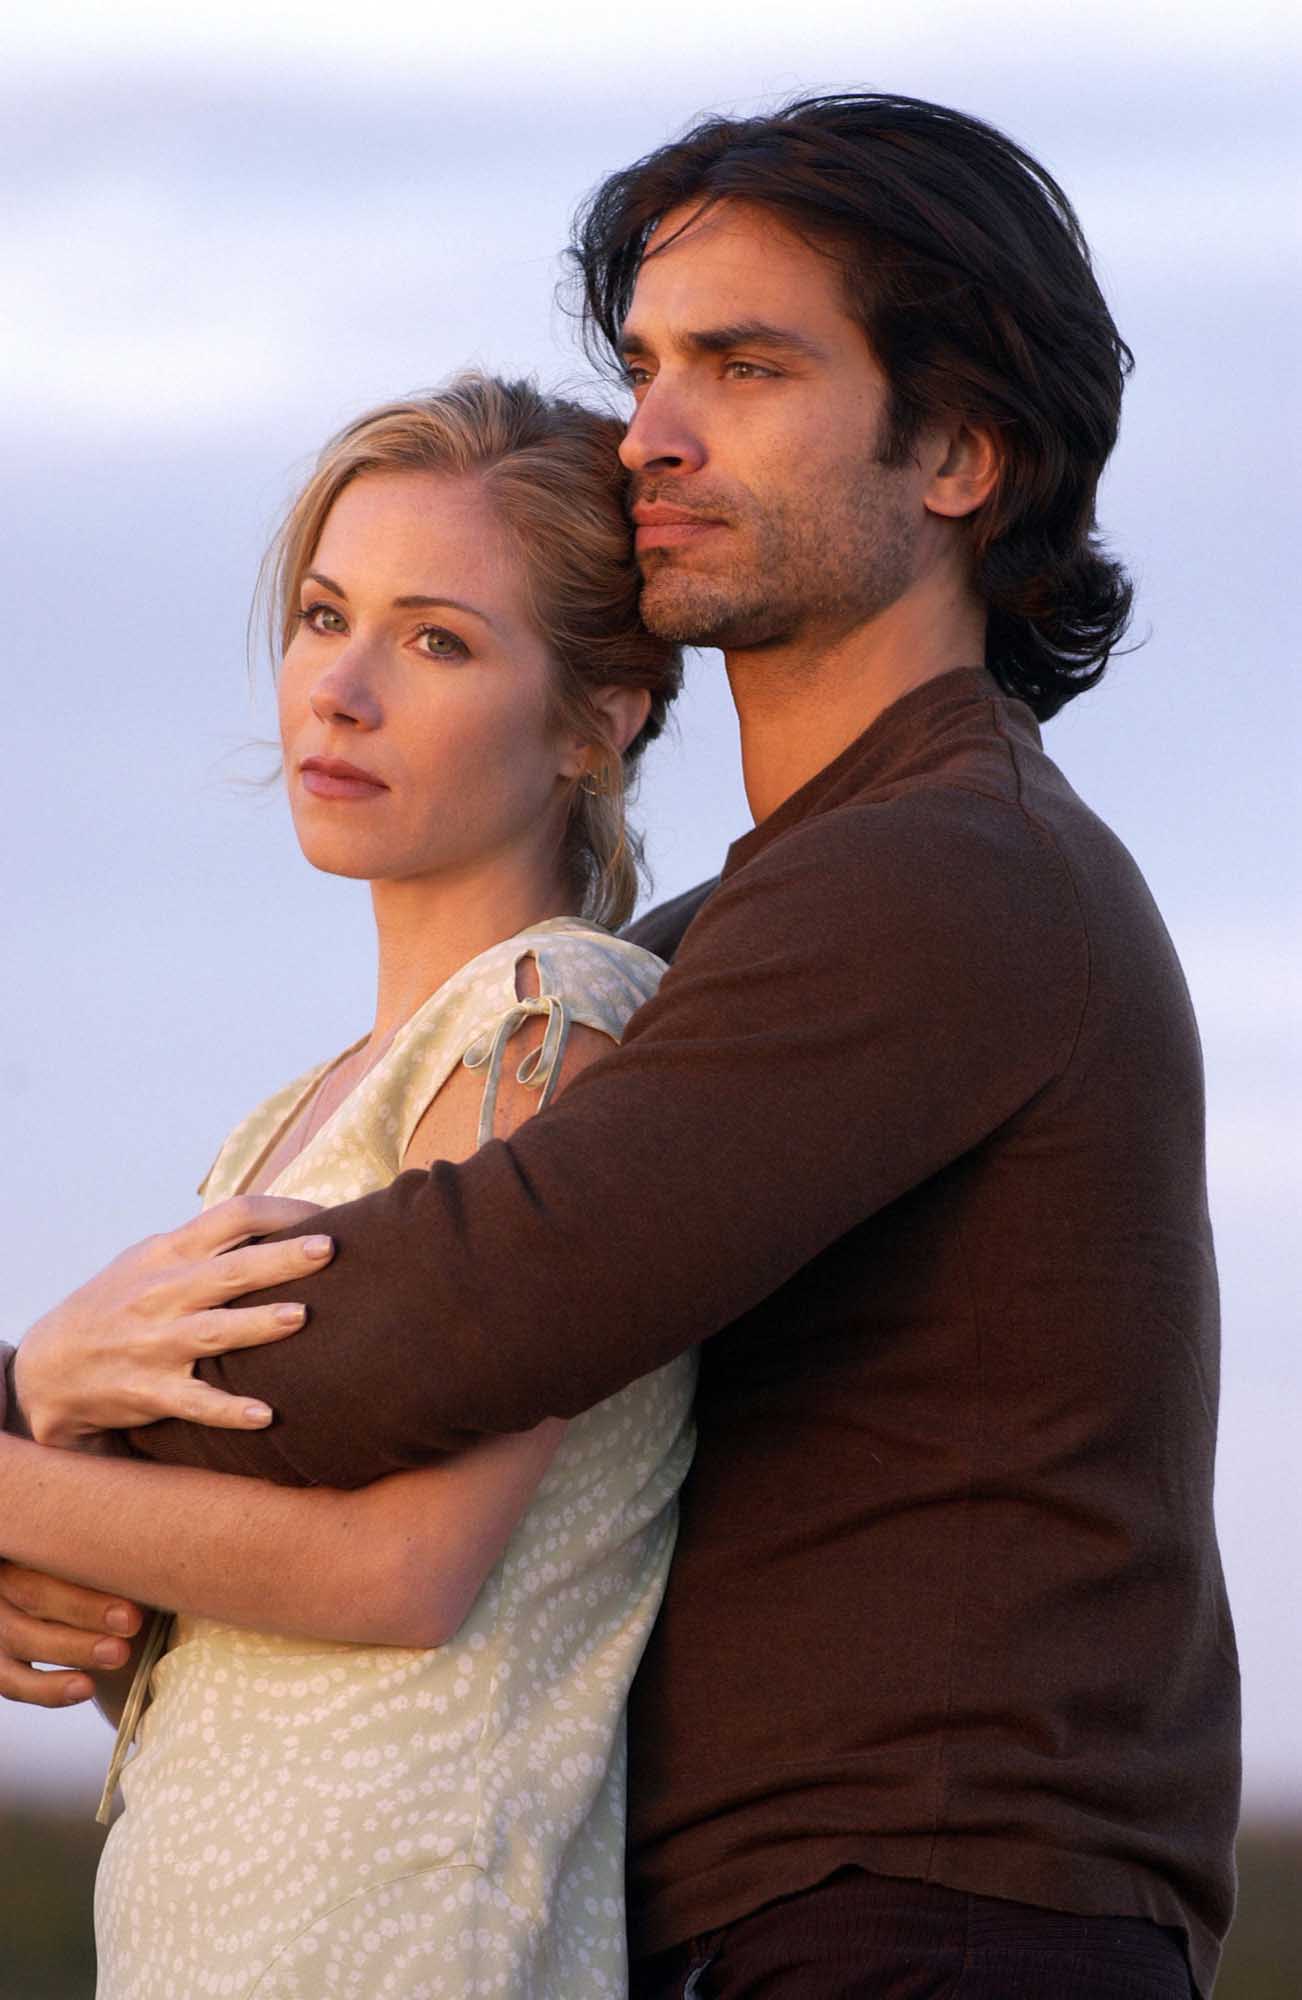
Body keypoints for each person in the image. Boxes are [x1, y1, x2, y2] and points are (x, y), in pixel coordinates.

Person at [3, 93, 1239, 1999]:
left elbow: (468, 1307)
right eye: (646, 365)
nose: (651, 431)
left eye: (744, 367)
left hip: (930, 1921)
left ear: (959, 453)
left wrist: (41, 1417)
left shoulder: (941, 878)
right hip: (771, 1912)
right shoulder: (741, 932)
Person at [0, 375, 696, 1997]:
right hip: (217, 1932)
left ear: (597, 718)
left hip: (411, 1933)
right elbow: (215, 1625)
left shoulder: (548, 1027)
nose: (342, 688)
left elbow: (402, 1572)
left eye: (436, 640)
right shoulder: (287, 1118)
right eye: (324, 617)